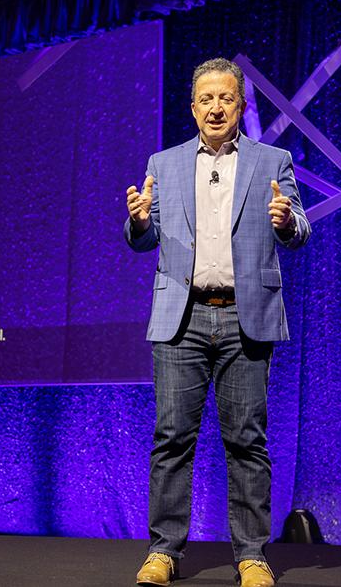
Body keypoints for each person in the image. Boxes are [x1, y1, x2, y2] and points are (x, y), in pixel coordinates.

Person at [124, 58, 310, 587]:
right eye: (205, 99)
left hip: (243, 315)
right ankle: (164, 551)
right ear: (192, 107)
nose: (215, 107)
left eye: (225, 98)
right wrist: (139, 221)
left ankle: (251, 555)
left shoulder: (272, 161)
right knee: (171, 438)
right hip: (181, 318)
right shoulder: (165, 162)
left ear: (241, 105)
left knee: (247, 440)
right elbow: (144, 237)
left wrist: (287, 220)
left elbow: (300, 230)